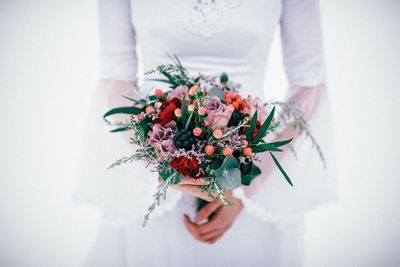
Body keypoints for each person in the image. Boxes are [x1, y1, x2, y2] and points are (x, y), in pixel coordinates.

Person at [73, 0, 338, 266]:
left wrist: (247, 188)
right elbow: (116, 77)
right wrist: (161, 165)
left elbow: (309, 85)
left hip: (249, 179)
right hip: (156, 188)